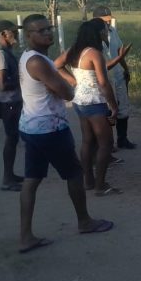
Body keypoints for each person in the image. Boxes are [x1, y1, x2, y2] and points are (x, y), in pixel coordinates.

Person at [17, 14, 113, 254]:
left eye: (49, 29)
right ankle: (84, 221)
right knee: (74, 174)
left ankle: (26, 235)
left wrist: (66, 83)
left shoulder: (29, 57)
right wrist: (68, 85)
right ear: (28, 36)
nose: (48, 33)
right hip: (49, 127)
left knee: (32, 180)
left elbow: (62, 87)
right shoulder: (38, 62)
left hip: (31, 125)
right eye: (41, 31)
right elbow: (68, 93)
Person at [55, 19, 124, 196]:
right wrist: (114, 107)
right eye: (104, 30)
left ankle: (89, 181)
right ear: (98, 32)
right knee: (106, 143)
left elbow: (57, 65)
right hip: (95, 101)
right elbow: (103, 83)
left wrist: (73, 81)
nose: (105, 33)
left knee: (88, 141)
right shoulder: (94, 53)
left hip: (79, 100)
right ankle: (100, 186)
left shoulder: (75, 50)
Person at [92, 6, 136, 149]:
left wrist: (126, 69)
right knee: (108, 110)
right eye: (105, 21)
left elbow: (119, 52)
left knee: (123, 107)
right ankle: (107, 144)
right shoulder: (91, 36)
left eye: (110, 20)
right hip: (103, 77)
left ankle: (122, 139)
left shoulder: (113, 31)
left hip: (117, 74)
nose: (108, 23)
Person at [0, 20, 23, 191]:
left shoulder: (5, 52)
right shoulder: (1, 55)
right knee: (11, 139)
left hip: (11, 101)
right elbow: (3, 84)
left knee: (14, 138)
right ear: (2, 34)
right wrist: (23, 80)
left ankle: (10, 175)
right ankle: (7, 179)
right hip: (9, 101)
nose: (16, 35)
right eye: (12, 32)